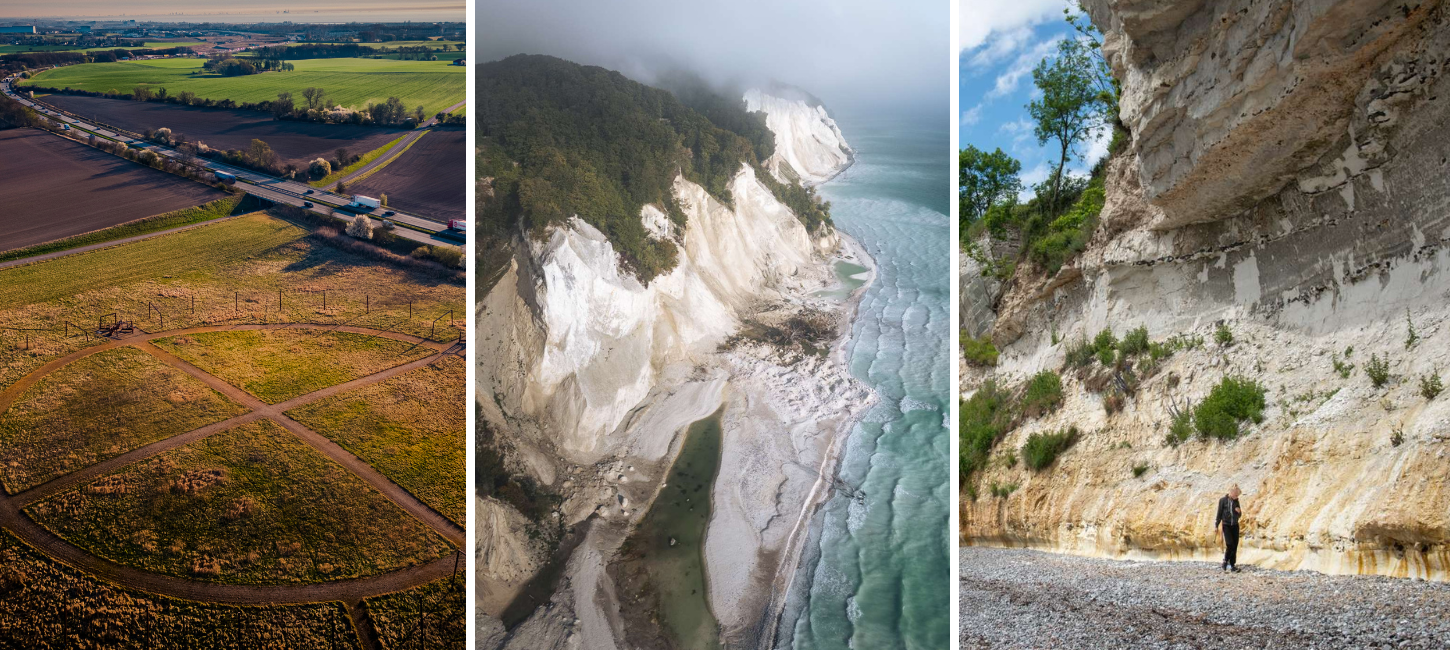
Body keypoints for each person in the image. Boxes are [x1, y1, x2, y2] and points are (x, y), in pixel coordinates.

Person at [1214, 484, 1243, 572]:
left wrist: (1239, 512)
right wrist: (1216, 525)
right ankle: (1225, 561)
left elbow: (1239, 515)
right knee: (1230, 544)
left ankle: (1232, 565)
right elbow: (1219, 514)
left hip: (1235, 525)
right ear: (1231, 493)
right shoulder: (1222, 500)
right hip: (1226, 525)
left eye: (1237, 495)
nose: (1237, 497)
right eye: (1236, 495)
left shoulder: (1236, 501)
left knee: (1235, 545)